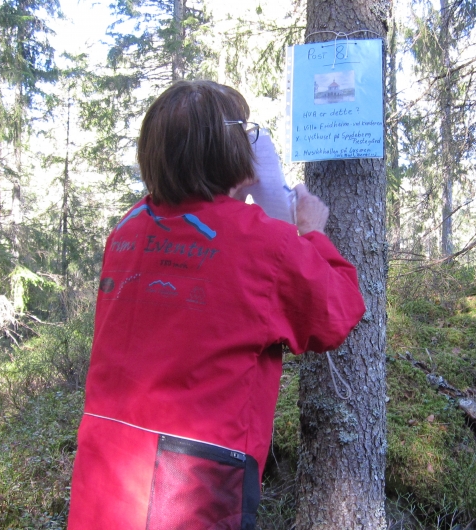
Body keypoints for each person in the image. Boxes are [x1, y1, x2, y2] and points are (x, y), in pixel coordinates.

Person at [67, 80, 365, 530]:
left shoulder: (126, 228)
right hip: (192, 483)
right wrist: (311, 233)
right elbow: (337, 312)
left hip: (106, 471)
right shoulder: (263, 242)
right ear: (226, 149)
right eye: (246, 134)